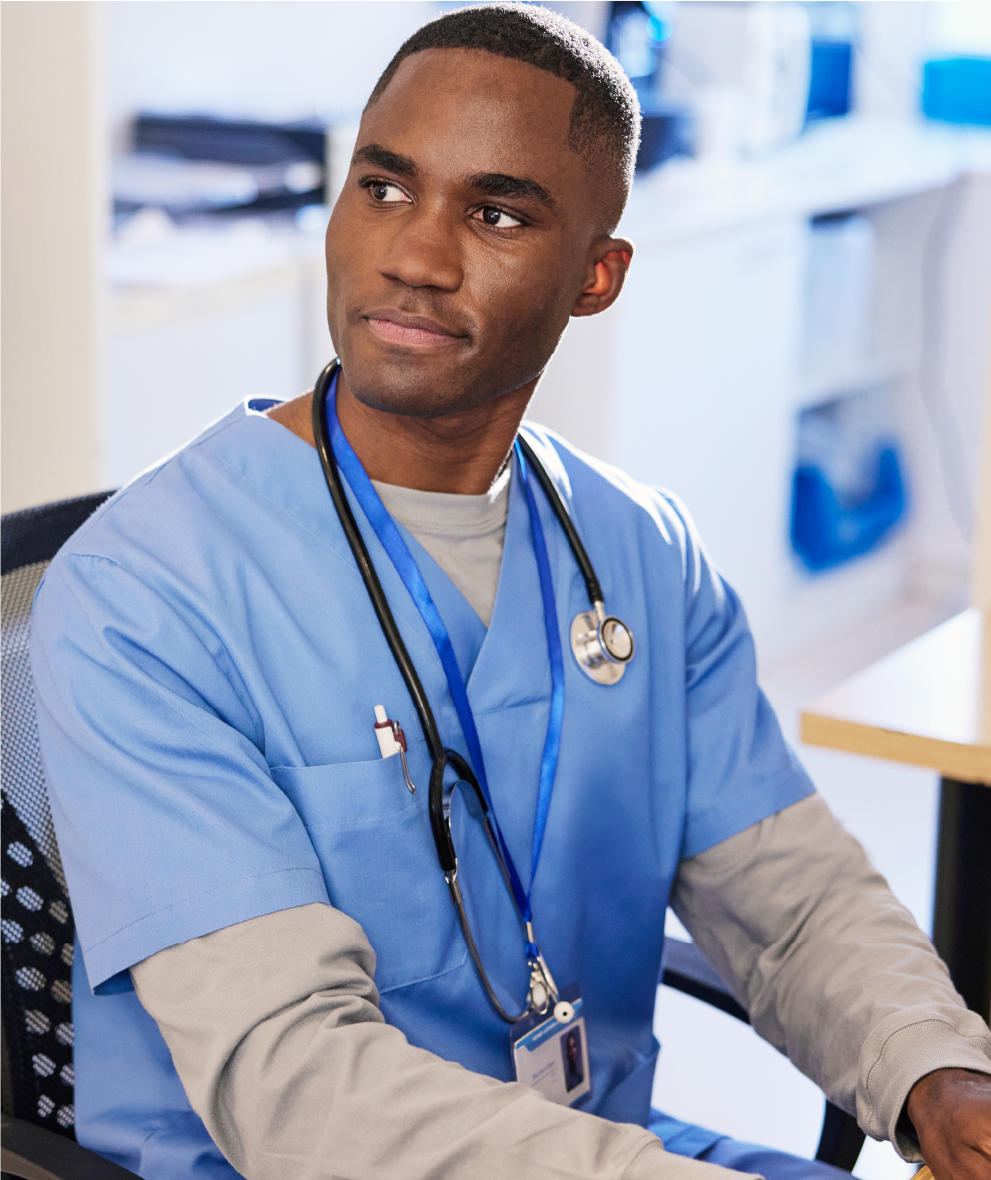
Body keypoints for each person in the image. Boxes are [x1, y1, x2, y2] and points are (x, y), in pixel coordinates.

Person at [29, 6, 991, 1180]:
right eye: (383, 189)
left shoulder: (640, 551)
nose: (414, 256)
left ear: (596, 275)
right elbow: (301, 1090)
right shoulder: (143, 597)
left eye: (494, 213)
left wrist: (938, 1073)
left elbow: (788, 900)